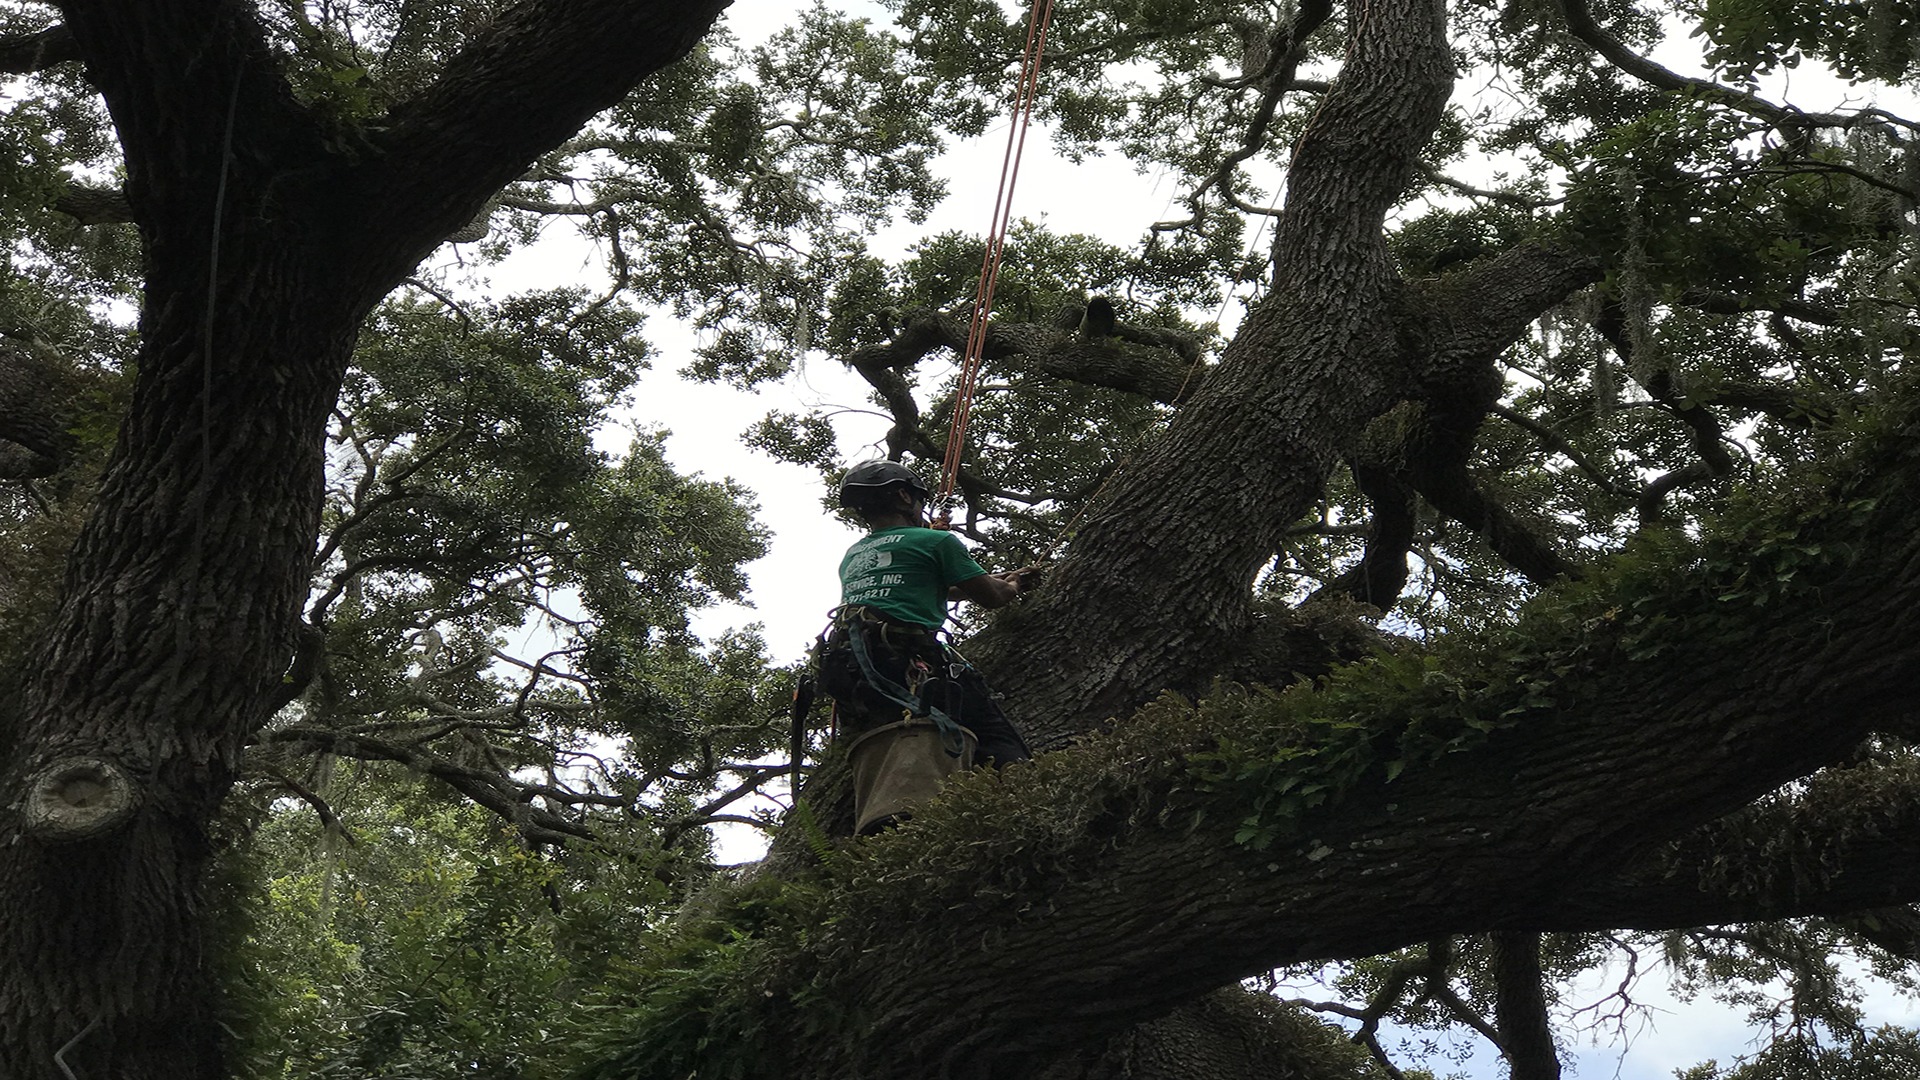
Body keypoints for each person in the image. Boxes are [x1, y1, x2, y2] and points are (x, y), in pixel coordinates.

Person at [815, 460, 1034, 775]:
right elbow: (992, 597)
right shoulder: (936, 541)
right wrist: (1014, 584)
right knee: (996, 735)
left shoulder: (855, 554)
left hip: (856, 672)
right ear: (905, 497)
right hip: (909, 663)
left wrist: (997, 577)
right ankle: (1017, 787)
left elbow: (924, 585)